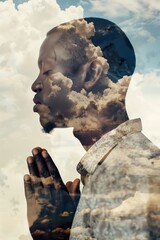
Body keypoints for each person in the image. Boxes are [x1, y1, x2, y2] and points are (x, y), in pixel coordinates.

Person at [24, 18, 160, 240]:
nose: (35, 84)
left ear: (91, 74)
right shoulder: (116, 171)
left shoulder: (127, 182)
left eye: (47, 70)